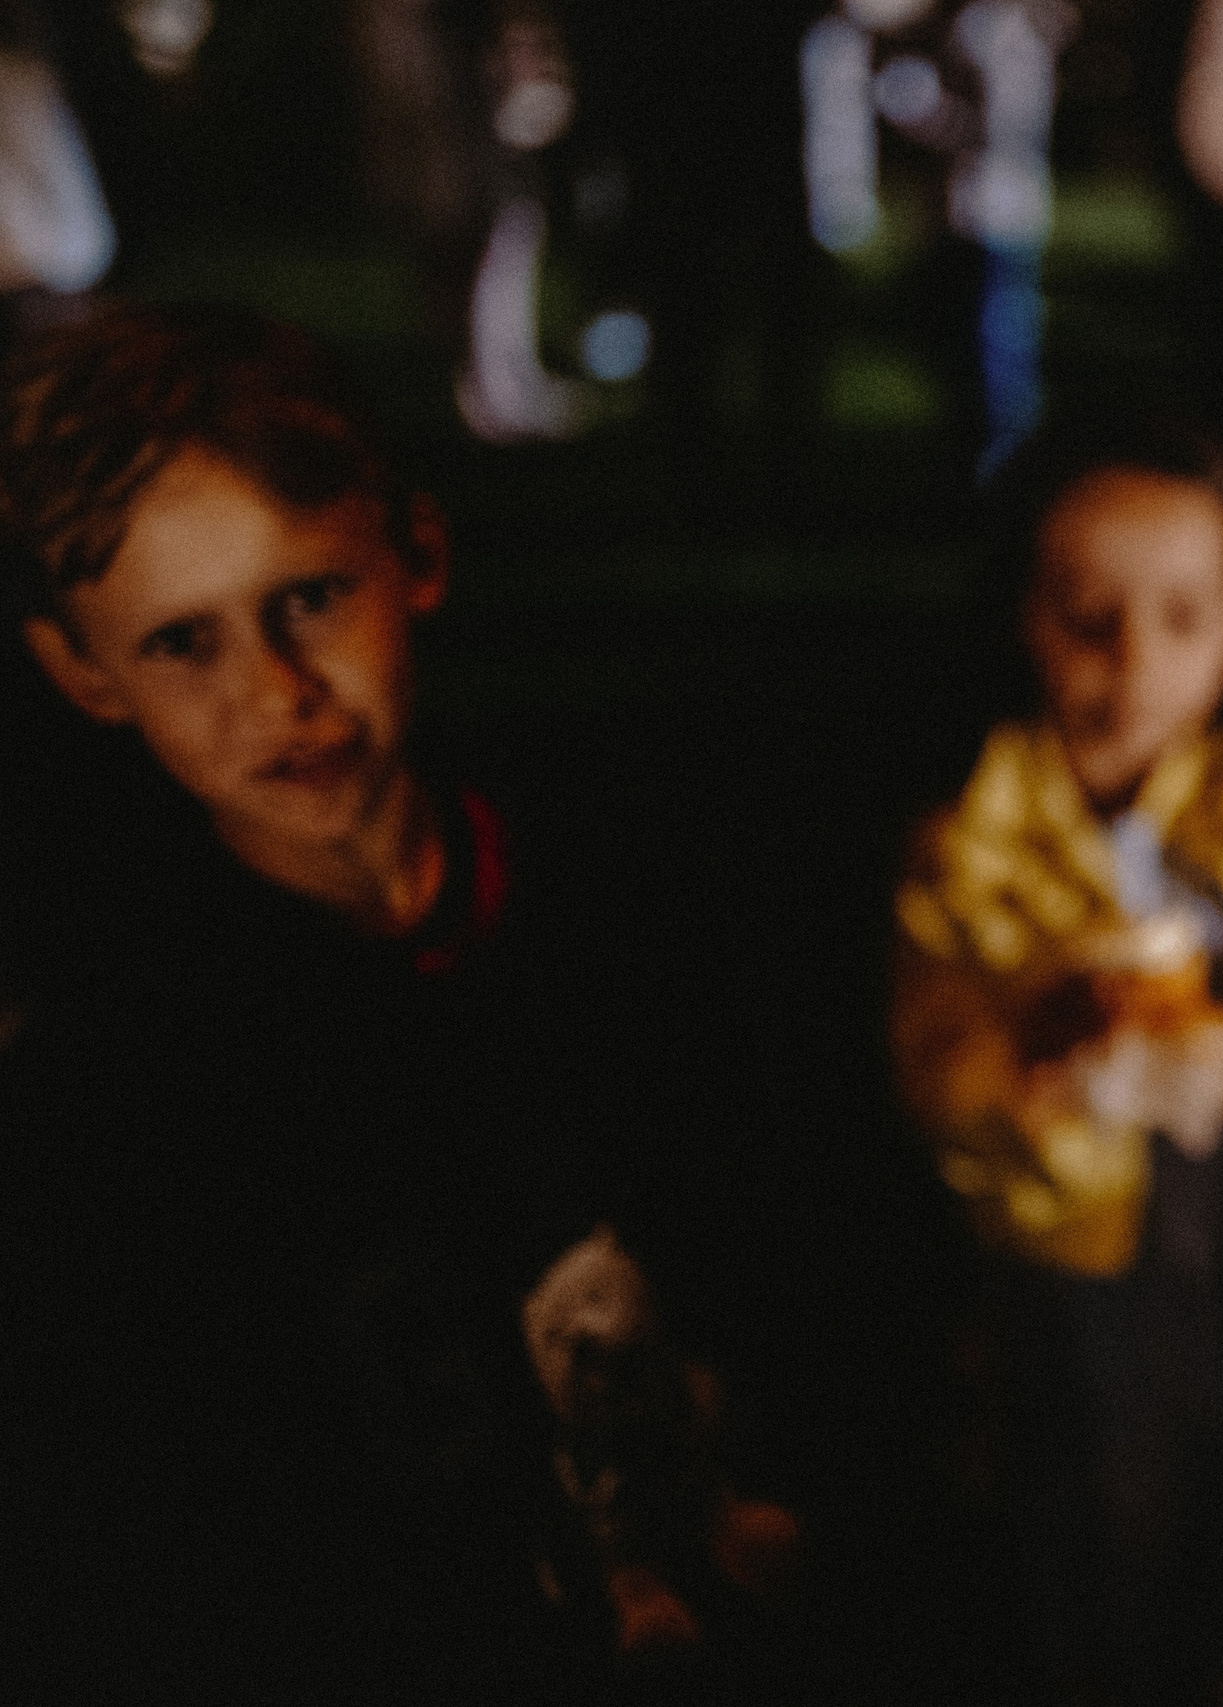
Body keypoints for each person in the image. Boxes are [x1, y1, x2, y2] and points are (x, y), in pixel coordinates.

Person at [0, 303, 800, 1697]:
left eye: (307, 597)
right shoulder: (124, 1084)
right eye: (184, 642)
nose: (275, 694)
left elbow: (791, 1238)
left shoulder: (634, 895)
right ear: (85, 674)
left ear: (414, 553)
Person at [891, 418, 1223, 1703]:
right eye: (1089, 617)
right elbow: (934, 1060)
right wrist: (1028, 1049)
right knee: (1105, 1516)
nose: (1134, 660)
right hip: (1079, 1259)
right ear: (1024, 615)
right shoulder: (974, 834)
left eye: (1183, 616)